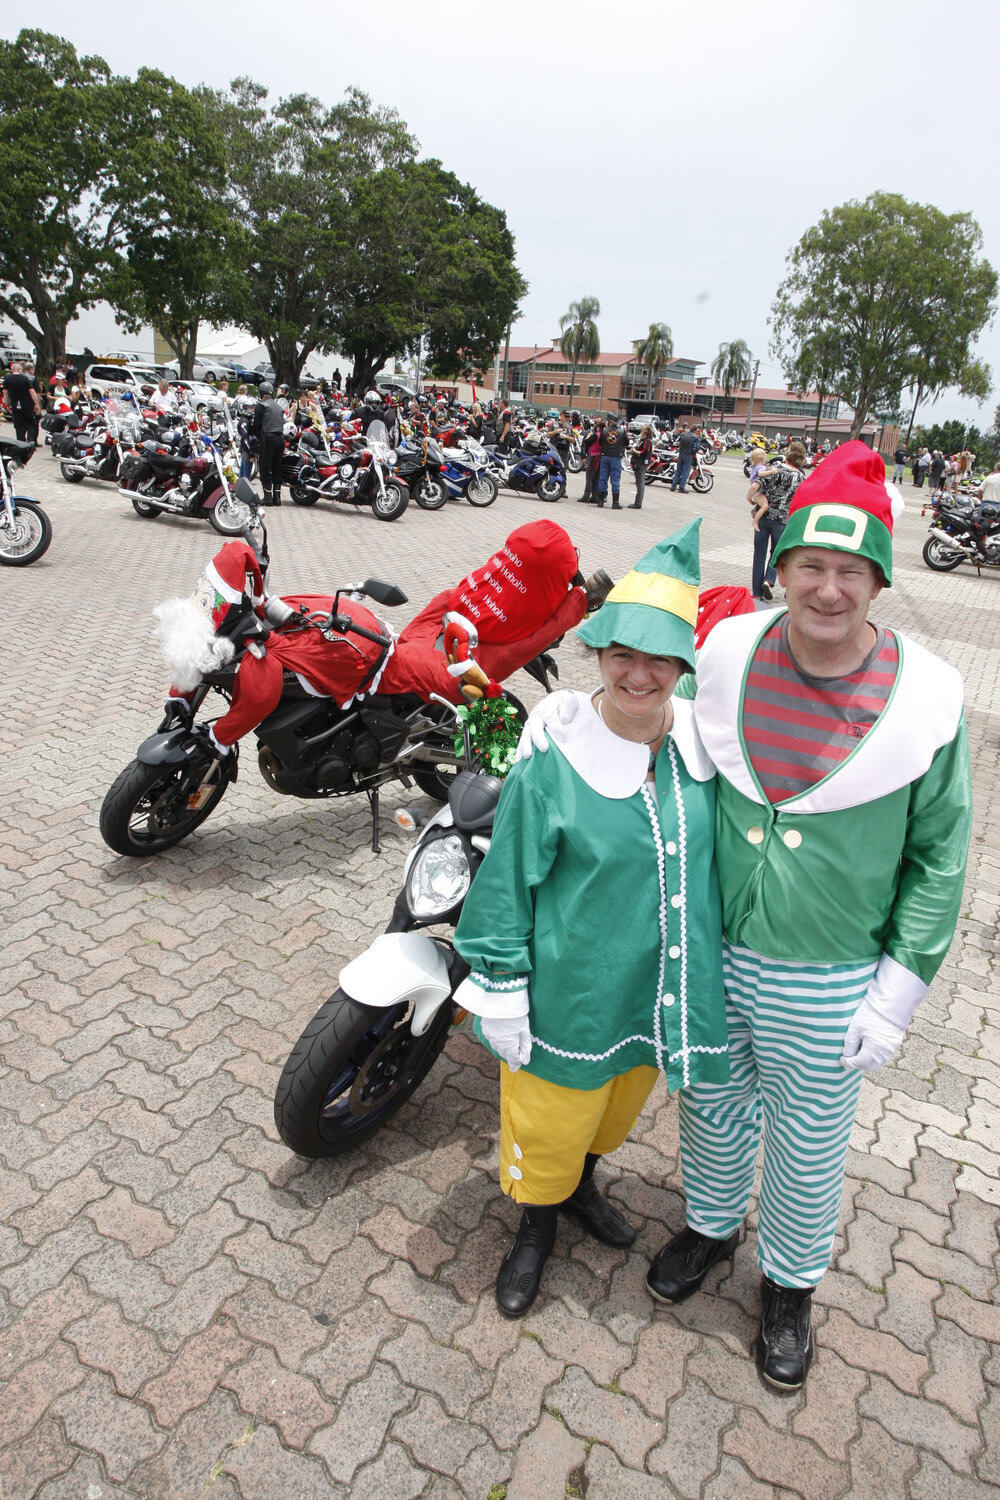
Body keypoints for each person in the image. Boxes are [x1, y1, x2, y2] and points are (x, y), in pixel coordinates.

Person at [522, 441, 972, 1391]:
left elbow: (939, 857)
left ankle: (791, 1286)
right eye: (811, 565)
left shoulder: (928, 698)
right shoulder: (726, 653)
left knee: (810, 1141)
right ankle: (712, 1227)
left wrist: (896, 993)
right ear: (782, 566)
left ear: (879, 580)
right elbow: (646, 703)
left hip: (831, 967)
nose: (828, 590)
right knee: (715, 1111)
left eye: (852, 571)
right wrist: (565, 723)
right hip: (716, 949)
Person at [453, 521, 729, 1317]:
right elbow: (505, 882)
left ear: (682, 665)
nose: (638, 675)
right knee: (549, 1120)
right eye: (621, 657)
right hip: (568, 997)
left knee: (612, 1108)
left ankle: (581, 1189)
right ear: (598, 656)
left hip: (652, 996)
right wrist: (500, 986)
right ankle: (535, 1224)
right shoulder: (557, 758)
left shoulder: (705, 757)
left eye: (658, 659)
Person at [748, 441, 806, 601]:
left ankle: (756, 593)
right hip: (782, 520)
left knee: (759, 554)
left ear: (788, 454)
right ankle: (768, 580)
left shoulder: (775, 469)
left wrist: (750, 498)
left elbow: (756, 485)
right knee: (777, 553)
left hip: (763, 516)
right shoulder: (801, 477)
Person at [251, 382, 286, 505]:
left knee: (265, 467)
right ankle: (277, 497)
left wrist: (253, 434)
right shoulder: (279, 407)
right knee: (277, 468)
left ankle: (267, 497)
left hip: (268, 437)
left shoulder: (261, 405)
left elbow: (256, 425)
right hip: (280, 438)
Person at [2, 360, 42, 445]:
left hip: (15, 405)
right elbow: (32, 391)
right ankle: (31, 441)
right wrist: (36, 403)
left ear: (12, 370)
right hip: (27, 405)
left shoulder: (7, 379)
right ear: (20, 370)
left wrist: (7, 404)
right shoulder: (25, 379)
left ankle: (20, 443)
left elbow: (5, 392)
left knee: (19, 426)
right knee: (31, 423)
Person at [596, 416, 627, 508]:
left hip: (605, 455)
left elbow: (600, 441)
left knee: (602, 478)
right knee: (615, 480)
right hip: (616, 456)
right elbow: (627, 442)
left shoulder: (604, 430)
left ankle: (600, 501)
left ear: (609, 422)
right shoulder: (622, 431)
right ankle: (615, 502)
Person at [630, 424, 653, 509]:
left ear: (646, 432)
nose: (641, 432)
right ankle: (637, 502)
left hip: (641, 464)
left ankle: (638, 503)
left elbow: (643, 453)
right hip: (639, 463)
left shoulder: (647, 442)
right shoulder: (642, 441)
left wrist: (634, 450)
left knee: (640, 483)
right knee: (640, 483)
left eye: (642, 431)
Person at [580, 420, 603, 503]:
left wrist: (588, 436)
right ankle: (595, 496)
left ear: (598, 427)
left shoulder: (596, 435)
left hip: (593, 456)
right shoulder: (605, 436)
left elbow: (586, 442)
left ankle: (586, 495)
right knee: (597, 478)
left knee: (589, 476)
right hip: (601, 457)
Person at [671, 424, 698, 493]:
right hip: (688, 454)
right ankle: (681, 487)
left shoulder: (683, 434)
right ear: (695, 430)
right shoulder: (695, 437)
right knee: (685, 471)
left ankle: (673, 486)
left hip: (681, 453)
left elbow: (678, 442)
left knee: (678, 470)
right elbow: (697, 447)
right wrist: (693, 451)